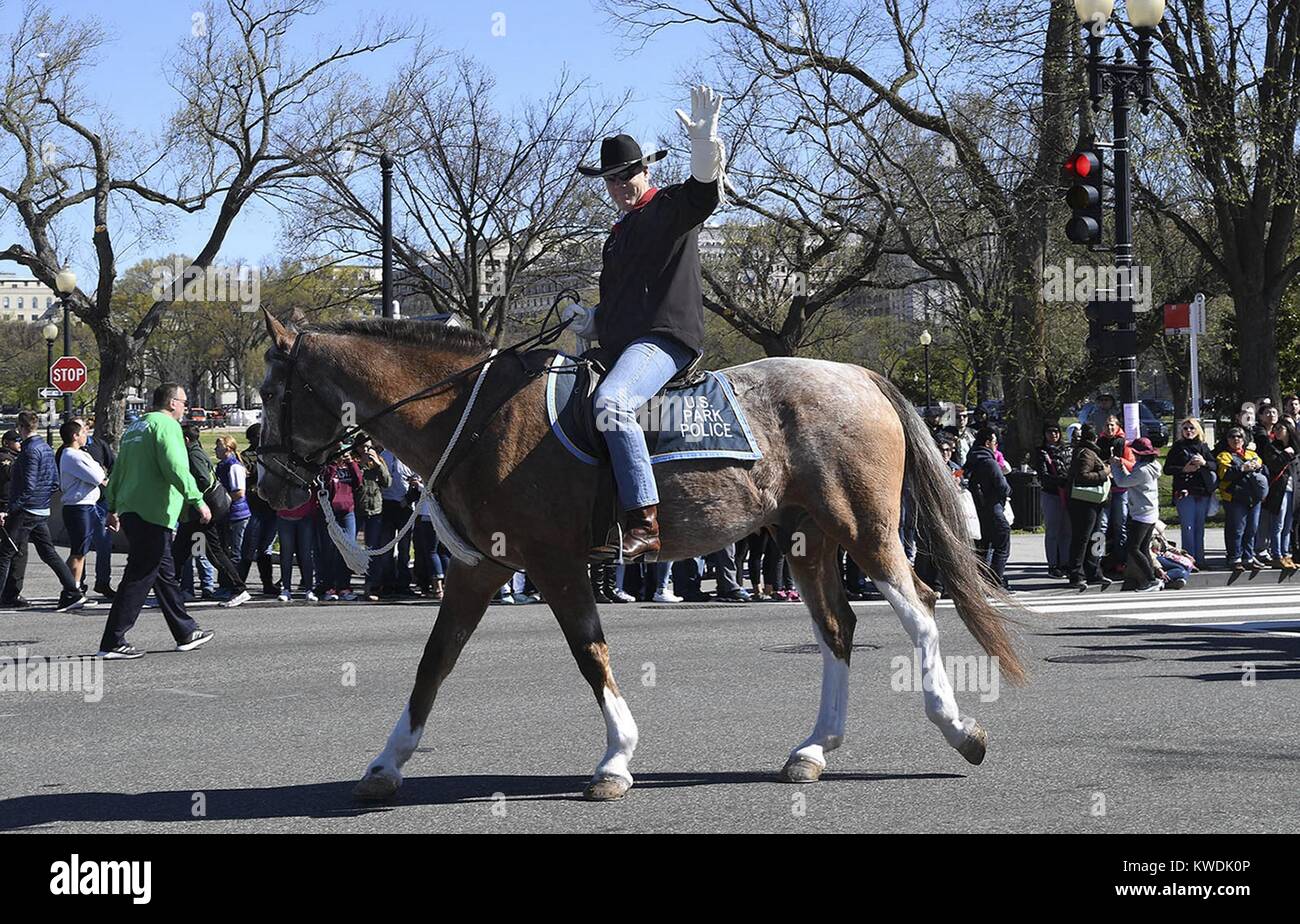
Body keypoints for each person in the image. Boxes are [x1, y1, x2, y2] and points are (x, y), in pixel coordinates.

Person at [568, 84, 727, 560]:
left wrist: (704, 146)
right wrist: (591, 321)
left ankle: (644, 521)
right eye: (611, 180)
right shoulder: (615, 235)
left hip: (664, 340)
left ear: (646, 170)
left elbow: (704, 193)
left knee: (613, 403)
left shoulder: (669, 208)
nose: (620, 186)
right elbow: (620, 304)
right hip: (621, 345)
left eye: (627, 176)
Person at [97, 384, 215, 659]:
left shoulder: (135, 428)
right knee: (139, 575)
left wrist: (112, 505)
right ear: (172, 403)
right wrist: (197, 499)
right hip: (154, 511)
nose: (186, 407)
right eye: (184, 402)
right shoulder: (167, 426)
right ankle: (113, 640)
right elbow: (175, 466)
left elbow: (119, 469)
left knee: (163, 574)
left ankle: (185, 632)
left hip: (131, 509)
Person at [0, 411, 86, 611]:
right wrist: (44, 501)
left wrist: (12, 509)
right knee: (49, 553)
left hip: (26, 510)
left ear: (21, 427)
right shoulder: (47, 448)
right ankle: (73, 592)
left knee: (5, 553)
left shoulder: (29, 451)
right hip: (41, 509)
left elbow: (28, 485)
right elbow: (56, 482)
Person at [174, 425, 249, 607]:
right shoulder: (195, 451)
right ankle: (170, 590)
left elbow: (203, 481)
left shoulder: (193, 455)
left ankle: (239, 588)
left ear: (185, 440)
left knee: (211, 552)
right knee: (180, 552)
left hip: (201, 511)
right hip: (199, 512)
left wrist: (197, 501)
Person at [56, 418, 108, 595]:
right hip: (79, 507)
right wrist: (98, 469)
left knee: (82, 551)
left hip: (87, 506)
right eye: (83, 432)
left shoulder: (80, 454)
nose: (86, 435)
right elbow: (97, 475)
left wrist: (98, 469)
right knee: (78, 552)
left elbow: (99, 470)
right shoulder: (72, 455)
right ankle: (71, 590)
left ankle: (75, 587)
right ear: (75, 436)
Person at [1163, 418, 1216, 570]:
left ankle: (1200, 559)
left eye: (1192, 428)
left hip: (1202, 492)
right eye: (1185, 428)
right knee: (1188, 527)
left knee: (1199, 527)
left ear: (1198, 430)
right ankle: (1189, 560)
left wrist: (1204, 462)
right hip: (1184, 492)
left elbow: (1214, 465)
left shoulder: (1203, 447)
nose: (1189, 431)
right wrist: (1183, 469)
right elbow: (1167, 469)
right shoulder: (1178, 447)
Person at [1111, 437, 1162, 592]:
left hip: (1141, 515)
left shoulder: (1142, 470)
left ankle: (1151, 580)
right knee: (1143, 548)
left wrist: (1114, 466)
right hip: (1150, 512)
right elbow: (1132, 478)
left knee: (1133, 548)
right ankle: (1151, 578)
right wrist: (1123, 466)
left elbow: (1122, 482)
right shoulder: (1153, 465)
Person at [964, 427, 1011, 590]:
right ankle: (995, 582)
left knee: (981, 549)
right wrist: (1005, 496)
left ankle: (980, 582)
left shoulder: (970, 460)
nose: (996, 446)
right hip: (994, 509)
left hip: (977, 512)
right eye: (995, 442)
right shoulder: (990, 462)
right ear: (987, 443)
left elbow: (959, 475)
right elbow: (1003, 486)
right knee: (1001, 547)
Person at [1215, 427, 1267, 575]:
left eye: (1239, 437)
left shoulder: (1252, 454)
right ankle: (1234, 557)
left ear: (1244, 440)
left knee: (1252, 529)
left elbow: (1262, 467)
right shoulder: (1224, 455)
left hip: (1253, 497)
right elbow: (1224, 474)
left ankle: (1248, 557)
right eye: (1232, 437)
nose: (1236, 439)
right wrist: (1242, 468)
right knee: (1236, 529)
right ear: (1227, 440)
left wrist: (1258, 466)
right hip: (1234, 497)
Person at [1066, 424, 1112, 589]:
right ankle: (1076, 574)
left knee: (1095, 536)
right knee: (1083, 537)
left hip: (1093, 502)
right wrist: (1104, 473)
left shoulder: (1088, 451)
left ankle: (1093, 572)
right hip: (1084, 503)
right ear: (1095, 438)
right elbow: (1082, 476)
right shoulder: (1087, 453)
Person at [1253, 403, 1298, 569]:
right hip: (1279, 489)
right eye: (1276, 429)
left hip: (1294, 488)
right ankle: (1276, 554)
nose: (1277, 431)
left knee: (1288, 524)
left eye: (1281, 428)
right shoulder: (1272, 447)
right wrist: (1286, 455)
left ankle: (1286, 553)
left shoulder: (1295, 446)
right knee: (1278, 524)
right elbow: (1274, 465)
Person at [238, 424, 279, 596]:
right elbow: (246, 477)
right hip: (254, 505)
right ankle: (239, 584)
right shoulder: (245, 456)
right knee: (249, 547)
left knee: (265, 547)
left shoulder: (272, 454)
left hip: (269, 505)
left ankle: (267, 583)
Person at [319, 450, 363, 600]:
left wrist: (350, 463)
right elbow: (325, 483)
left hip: (347, 511)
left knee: (348, 549)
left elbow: (358, 482)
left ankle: (345, 587)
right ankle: (329, 587)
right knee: (330, 550)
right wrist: (333, 465)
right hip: (331, 512)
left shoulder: (350, 466)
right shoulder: (328, 467)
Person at [1034, 422, 1072, 578]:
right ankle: (1053, 565)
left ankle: (1064, 563)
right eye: (1049, 432)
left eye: (1056, 432)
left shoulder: (1067, 450)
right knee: (1053, 531)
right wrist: (1061, 481)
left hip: (1068, 493)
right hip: (1051, 493)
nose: (1053, 435)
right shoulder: (1041, 452)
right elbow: (1043, 476)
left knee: (1067, 531)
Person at [83, 422, 117, 598]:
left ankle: (103, 582)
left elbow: (113, 466)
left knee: (104, 544)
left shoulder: (98, 445)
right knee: (81, 546)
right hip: (81, 503)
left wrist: (110, 486)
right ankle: (77, 584)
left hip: (101, 501)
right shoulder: (68, 450)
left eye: (82, 428)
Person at [214, 436, 251, 577]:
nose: (215, 450)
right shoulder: (222, 465)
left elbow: (239, 493)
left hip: (237, 514)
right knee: (225, 550)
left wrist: (221, 501)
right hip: (227, 513)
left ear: (228, 449)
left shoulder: (234, 466)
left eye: (218, 447)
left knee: (235, 552)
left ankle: (234, 583)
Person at [0, 430, 25, 603]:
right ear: (6, 443)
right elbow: (11, 477)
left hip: (11, 508)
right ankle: (8, 594)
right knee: (12, 552)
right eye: (17, 441)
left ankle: (10, 592)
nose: (20, 443)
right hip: (6, 508)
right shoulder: (5, 459)